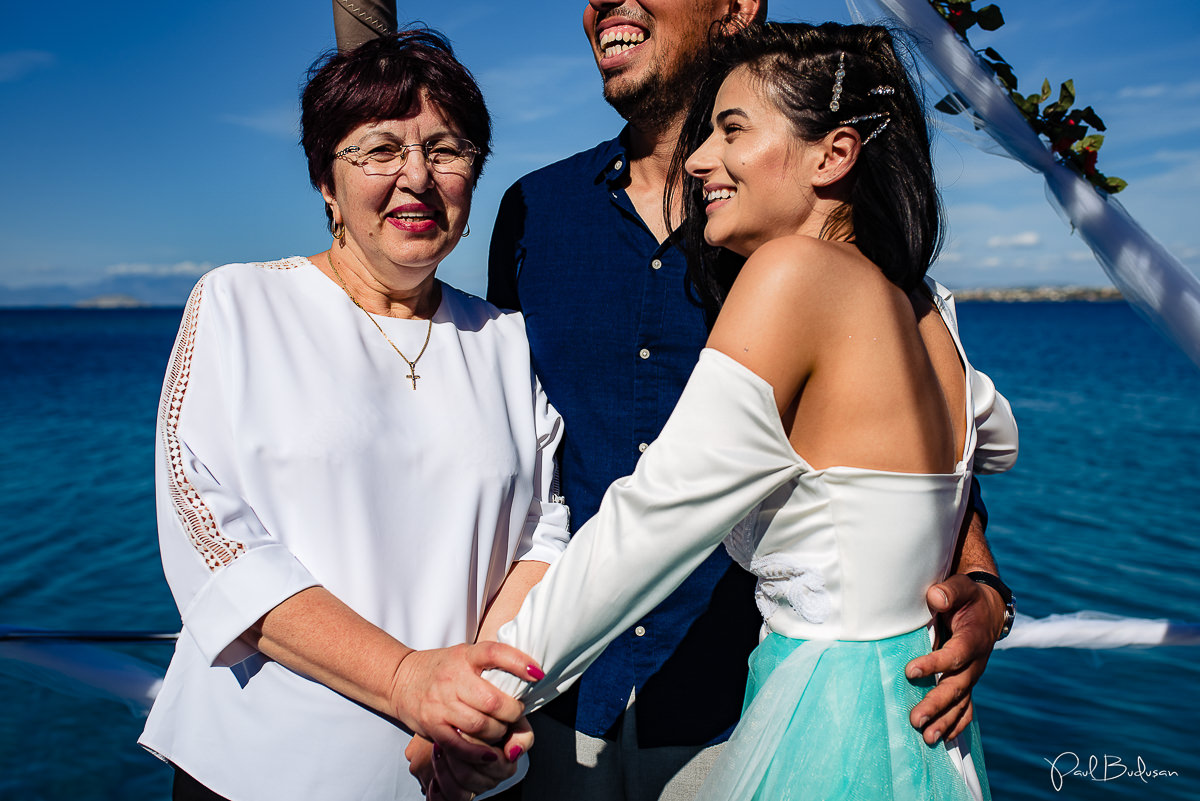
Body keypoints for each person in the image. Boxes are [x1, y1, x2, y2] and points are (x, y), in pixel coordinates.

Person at [483, 2, 1015, 799]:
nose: (704, 160)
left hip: (798, 720)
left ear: (833, 154)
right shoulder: (926, 301)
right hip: (910, 722)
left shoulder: (787, 273)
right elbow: (993, 438)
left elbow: (653, 518)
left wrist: (487, 694)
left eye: (732, 131)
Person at [138, 30, 567, 801]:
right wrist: (407, 679)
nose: (417, 177)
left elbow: (546, 528)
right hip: (263, 769)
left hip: (459, 772)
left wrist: (472, 707)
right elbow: (210, 535)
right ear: (326, 182)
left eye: (447, 149)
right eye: (378, 150)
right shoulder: (241, 304)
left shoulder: (504, 337)